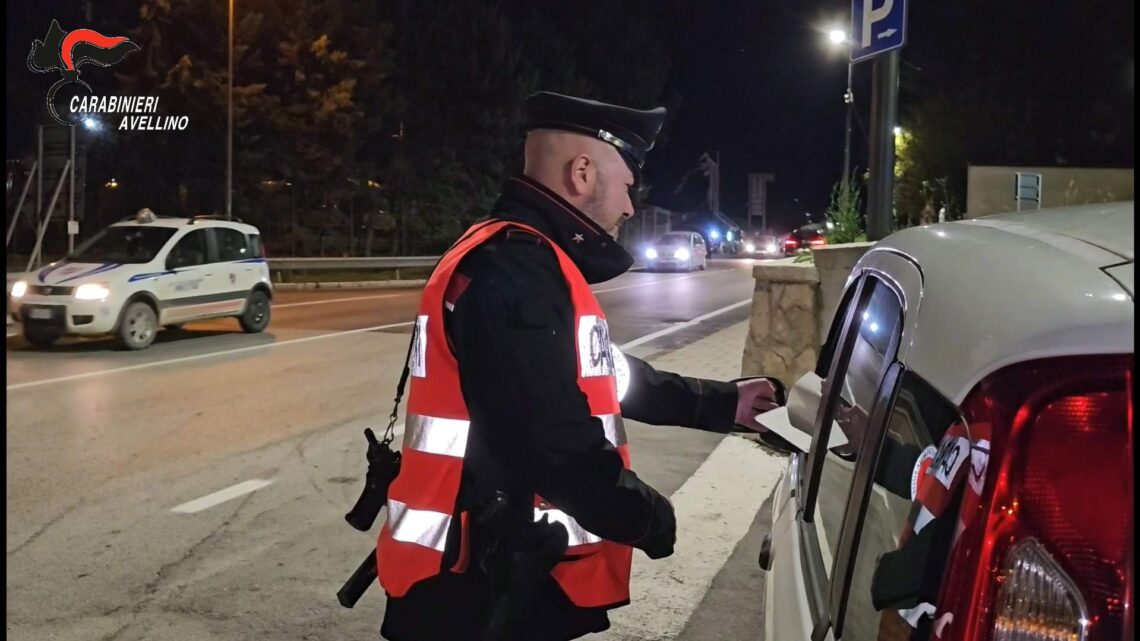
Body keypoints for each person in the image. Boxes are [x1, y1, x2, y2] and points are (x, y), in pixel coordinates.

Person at [375, 91, 784, 641]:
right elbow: (550, 439)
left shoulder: (518, 257)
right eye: (627, 187)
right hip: (477, 586)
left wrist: (721, 402)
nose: (629, 208)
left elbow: (601, 373)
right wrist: (644, 515)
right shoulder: (515, 269)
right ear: (583, 173)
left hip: (486, 570)